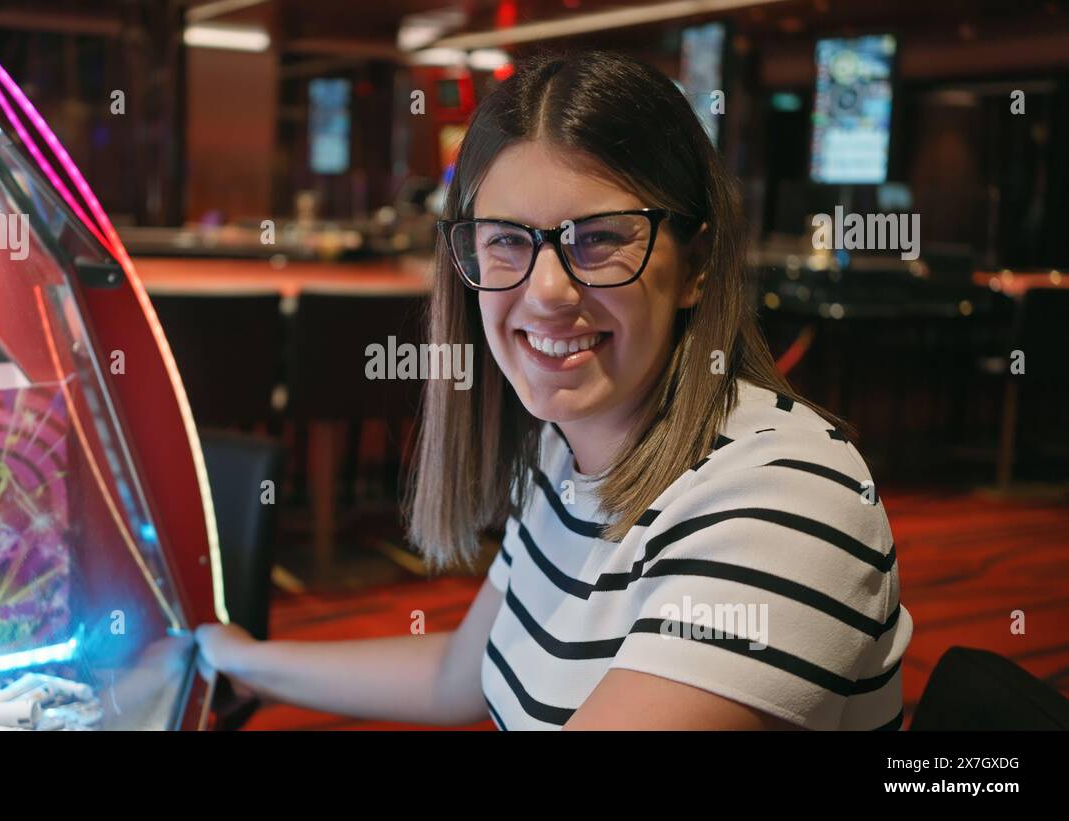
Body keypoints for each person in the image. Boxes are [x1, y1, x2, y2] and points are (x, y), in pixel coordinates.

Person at [195, 50, 912, 730]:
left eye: (597, 239)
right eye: (505, 239)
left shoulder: (782, 498)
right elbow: (458, 669)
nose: (545, 291)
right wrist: (248, 661)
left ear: (695, 263)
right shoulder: (565, 451)